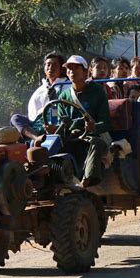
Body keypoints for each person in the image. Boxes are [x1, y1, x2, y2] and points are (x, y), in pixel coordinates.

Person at [53, 55, 110, 187]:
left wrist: (93, 127)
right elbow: (62, 122)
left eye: (76, 68)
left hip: (91, 136)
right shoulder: (63, 96)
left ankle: (87, 181)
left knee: (96, 142)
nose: (71, 71)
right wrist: (54, 129)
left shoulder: (97, 92)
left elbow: (105, 123)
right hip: (71, 137)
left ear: (85, 72)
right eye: (69, 68)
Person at [10, 51, 68, 142]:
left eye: (55, 65)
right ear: (44, 68)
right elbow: (33, 113)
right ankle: (36, 138)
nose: (50, 68)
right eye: (48, 65)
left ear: (61, 69)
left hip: (56, 123)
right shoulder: (41, 89)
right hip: (37, 124)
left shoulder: (67, 86)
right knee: (15, 118)